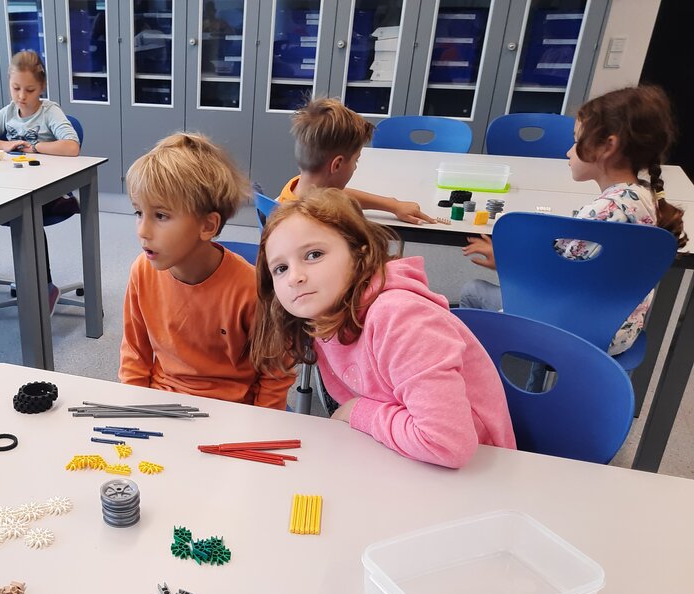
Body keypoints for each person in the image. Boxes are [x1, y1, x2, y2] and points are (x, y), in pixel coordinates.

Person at [251, 188, 515, 468]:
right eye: (280, 268)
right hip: (407, 456)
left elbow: (446, 444)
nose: (295, 277)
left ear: (358, 253)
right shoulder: (324, 313)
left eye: (314, 254)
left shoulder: (399, 318)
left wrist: (356, 411)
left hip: (475, 472)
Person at [460, 85, 688, 356]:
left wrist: (503, 262)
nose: (569, 151)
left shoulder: (600, 214)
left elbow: (551, 280)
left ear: (608, 146)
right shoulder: (646, 198)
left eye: (577, 141)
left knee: (472, 291)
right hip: (618, 330)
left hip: (572, 330)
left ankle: (483, 371)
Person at [120, 132, 296, 410]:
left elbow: (275, 372)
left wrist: (264, 425)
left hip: (231, 407)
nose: (143, 231)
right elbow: (134, 354)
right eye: (138, 213)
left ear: (208, 226)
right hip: (162, 401)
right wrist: (132, 409)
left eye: (161, 216)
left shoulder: (250, 289)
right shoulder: (142, 272)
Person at [0, 50, 80, 313]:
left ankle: (44, 285)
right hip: (15, 186)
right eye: (16, 88)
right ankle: (31, 280)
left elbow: (72, 146)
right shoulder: (8, 113)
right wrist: (5, 144)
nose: (21, 96)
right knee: (5, 209)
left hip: (46, 187)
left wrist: (37, 147)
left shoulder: (49, 112)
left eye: (29, 90)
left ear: (42, 87)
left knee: (26, 217)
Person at [276, 97, 435, 226]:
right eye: (356, 161)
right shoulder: (320, 221)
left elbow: (338, 193)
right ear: (337, 165)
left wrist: (393, 205)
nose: (355, 167)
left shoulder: (298, 186)